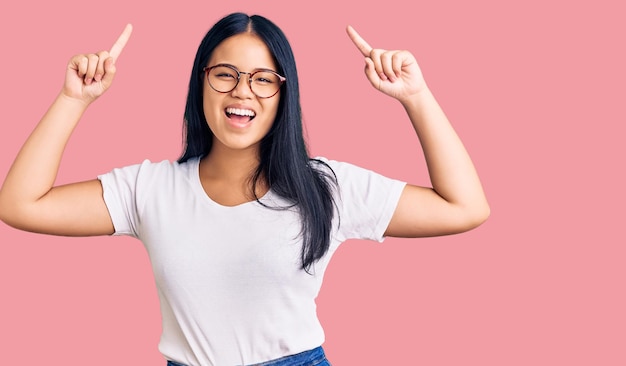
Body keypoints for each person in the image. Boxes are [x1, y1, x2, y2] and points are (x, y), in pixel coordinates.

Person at [0, 12, 489, 366]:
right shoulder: (149, 189)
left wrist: (415, 97)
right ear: (201, 83)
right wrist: (73, 99)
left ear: (284, 93)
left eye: (262, 79)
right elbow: (22, 205)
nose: (242, 91)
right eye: (225, 75)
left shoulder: (325, 188)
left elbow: (463, 207)